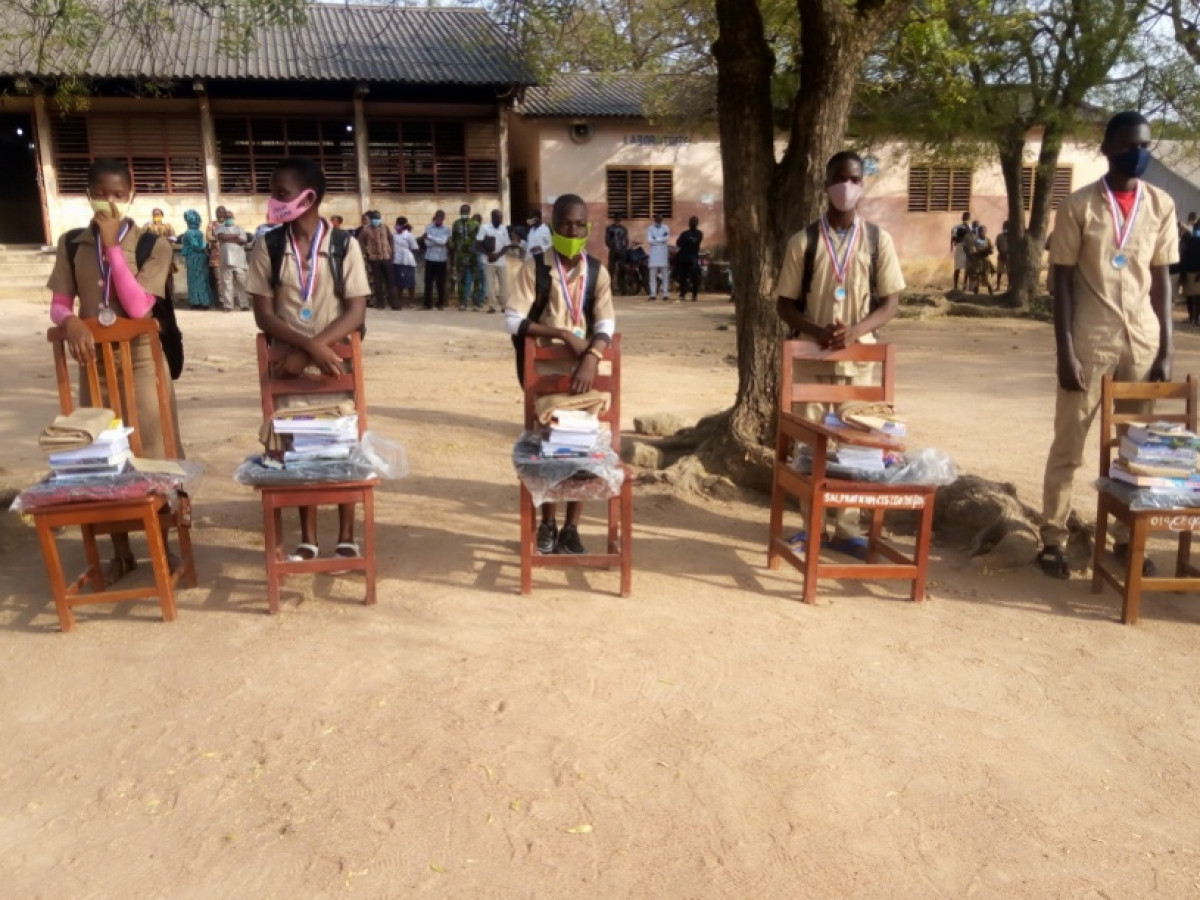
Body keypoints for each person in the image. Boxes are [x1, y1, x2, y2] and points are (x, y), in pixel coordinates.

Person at [1037, 111, 1178, 580]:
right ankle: (1053, 537)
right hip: (1089, 338)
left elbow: (1161, 279)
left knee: (1137, 448)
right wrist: (1065, 352)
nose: (1138, 153)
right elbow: (1060, 280)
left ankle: (1125, 539)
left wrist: (1167, 348)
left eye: (1144, 145)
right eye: (1128, 144)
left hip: (1141, 338)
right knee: (1069, 443)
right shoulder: (1079, 205)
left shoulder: (1160, 205)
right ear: (1107, 148)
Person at [47, 158, 181, 579]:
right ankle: (119, 547)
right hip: (95, 364)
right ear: (87, 193)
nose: (110, 201)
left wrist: (112, 249)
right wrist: (69, 323)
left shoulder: (151, 245)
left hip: (142, 359)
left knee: (153, 449)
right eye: (101, 192)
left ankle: (160, 540)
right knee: (103, 452)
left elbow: (141, 306)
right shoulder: (71, 244)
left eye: (119, 194)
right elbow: (59, 305)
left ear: (131, 195)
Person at [774, 150, 906, 560]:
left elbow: (890, 303)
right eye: (838, 179)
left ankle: (848, 528)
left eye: (852, 179)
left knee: (859, 446)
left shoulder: (876, 240)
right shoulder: (804, 241)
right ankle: (810, 525)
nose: (845, 187)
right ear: (826, 185)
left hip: (860, 360)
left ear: (861, 184)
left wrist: (854, 331)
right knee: (811, 445)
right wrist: (819, 332)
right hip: (812, 358)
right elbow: (785, 304)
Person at [248, 157, 369, 564]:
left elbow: (355, 312)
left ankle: (347, 534)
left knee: (340, 443)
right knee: (299, 446)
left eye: (281, 194)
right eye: (273, 194)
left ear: (308, 197)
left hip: (334, 364)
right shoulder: (268, 246)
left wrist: (312, 351)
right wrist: (301, 351)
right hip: (287, 368)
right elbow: (264, 315)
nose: (274, 202)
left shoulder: (343, 245)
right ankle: (309, 538)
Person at [505, 192, 616, 555]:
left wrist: (592, 356)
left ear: (588, 227)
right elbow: (513, 319)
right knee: (547, 449)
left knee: (580, 449)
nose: (573, 229)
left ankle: (572, 527)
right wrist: (561, 333)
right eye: (566, 223)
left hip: (583, 378)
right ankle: (548, 523)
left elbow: (605, 322)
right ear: (554, 227)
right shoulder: (535, 268)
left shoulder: (596, 271)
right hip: (543, 376)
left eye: (580, 224)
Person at [358, 209, 395, 310]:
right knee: (378, 282)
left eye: (378, 219)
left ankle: (394, 304)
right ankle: (380, 304)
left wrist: (392, 252)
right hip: (374, 259)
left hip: (386, 257)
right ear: (371, 220)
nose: (377, 221)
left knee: (390, 282)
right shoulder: (366, 230)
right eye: (375, 219)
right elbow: (360, 241)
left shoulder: (385, 227)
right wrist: (366, 252)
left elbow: (391, 239)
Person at [215, 209, 250, 311]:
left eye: (230, 217)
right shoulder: (220, 228)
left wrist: (228, 238)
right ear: (224, 218)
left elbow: (243, 240)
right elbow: (221, 237)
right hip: (226, 261)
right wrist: (235, 236)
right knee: (226, 284)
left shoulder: (240, 228)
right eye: (227, 217)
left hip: (239, 261)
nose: (228, 219)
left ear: (233, 218)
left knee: (242, 284)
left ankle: (244, 305)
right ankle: (228, 306)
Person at [477, 209, 510, 314]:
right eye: (497, 217)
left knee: (503, 284)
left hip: (501, 261)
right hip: (488, 261)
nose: (499, 219)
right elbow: (478, 243)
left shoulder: (503, 228)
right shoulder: (484, 228)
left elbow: (507, 245)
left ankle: (504, 305)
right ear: (492, 217)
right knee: (490, 284)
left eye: (501, 217)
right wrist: (489, 255)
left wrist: (497, 255)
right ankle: (492, 306)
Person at [180, 209, 213, 309]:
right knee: (200, 279)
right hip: (198, 257)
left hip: (193, 258)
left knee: (194, 279)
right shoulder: (196, 232)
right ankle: (203, 301)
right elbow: (198, 246)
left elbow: (195, 245)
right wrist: (205, 249)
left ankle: (196, 302)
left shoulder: (189, 233)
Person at [450, 203, 480, 311]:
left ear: (469, 212)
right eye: (462, 211)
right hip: (460, 256)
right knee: (461, 280)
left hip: (473, 255)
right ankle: (462, 302)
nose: (464, 213)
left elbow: (479, 239)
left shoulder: (475, 224)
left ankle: (476, 303)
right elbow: (453, 240)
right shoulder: (456, 224)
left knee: (476, 279)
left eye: (466, 211)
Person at [422, 210, 450, 310]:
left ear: (443, 219)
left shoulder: (447, 229)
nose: (439, 219)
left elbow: (443, 242)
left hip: (441, 259)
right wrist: (435, 241)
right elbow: (427, 243)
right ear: (435, 217)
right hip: (430, 258)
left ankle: (440, 304)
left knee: (441, 283)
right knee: (428, 282)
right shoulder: (428, 227)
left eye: (441, 218)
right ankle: (427, 304)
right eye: (438, 217)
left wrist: (430, 237)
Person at [392, 216, 419, 309]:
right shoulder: (394, 235)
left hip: (407, 261)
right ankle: (398, 301)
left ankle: (412, 301)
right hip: (396, 260)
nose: (396, 226)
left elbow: (415, 247)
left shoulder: (409, 235)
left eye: (398, 224)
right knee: (398, 282)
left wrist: (406, 251)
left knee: (410, 282)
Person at [675, 216, 704, 302]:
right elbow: (678, 243)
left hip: (693, 258)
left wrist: (688, 241)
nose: (693, 223)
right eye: (691, 222)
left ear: (697, 223)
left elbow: (695, 241)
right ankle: (682, 293)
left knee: (694, 277)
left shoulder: (699, 233)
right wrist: (688, 240)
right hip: (683, 257)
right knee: (682, 277)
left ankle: (694, 295)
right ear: (689, 223)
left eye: (694, 222)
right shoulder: (684, 233)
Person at [647, 213, 670, 301]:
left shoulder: (666, 228)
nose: (659, 220)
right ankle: (653, 294)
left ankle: (665, 293)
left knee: (665, 274)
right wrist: (660, 240)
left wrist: (656, 239)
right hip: (654, 253)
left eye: (660, 219)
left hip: (663, 252)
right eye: (657, 219)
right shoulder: (650, 228)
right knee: (652, 274)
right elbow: (649, 240)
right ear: (655, 219)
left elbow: (666, 238)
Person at [966, 225, 995, 295]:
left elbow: (991, 250)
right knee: (976, 277)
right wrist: (982, 251)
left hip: (986, 260)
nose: (982, 232)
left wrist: (986, 251)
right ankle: (976, 293)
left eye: (983, 231)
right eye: (981, 231)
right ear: (978, 232)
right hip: (977, 261)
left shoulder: (988, 240)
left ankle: (991, 293)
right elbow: (973, 251)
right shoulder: (975, 240)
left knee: (987, 277)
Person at [604, 214, 629, 288]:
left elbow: (626, 239)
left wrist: (624, 248)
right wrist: (611, 246)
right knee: (611, 269)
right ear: (614, 220)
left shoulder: (623, 229)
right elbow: (607, 239)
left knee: (622, 269)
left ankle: (621, 287)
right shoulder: (609, 228)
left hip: (621, 251)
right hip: (613, 250)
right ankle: (610, 287)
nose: (617, 221)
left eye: (619, 220)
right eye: (616, 220)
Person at [950, 211, 972, 291]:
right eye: (965, 217)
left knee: (967, 267)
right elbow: (953, 238)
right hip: (959, 247)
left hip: (968, 248)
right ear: (962, 218)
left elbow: (972, 236)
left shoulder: (971, 227)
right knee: (957, 267)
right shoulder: (956, 227)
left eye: (968, 217)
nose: (966, 218)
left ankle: (965, 285)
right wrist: (951, 247)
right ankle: (956, 286)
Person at [207, 205, 225, 304]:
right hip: (216, 257)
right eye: (218, 212)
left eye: (222, 212)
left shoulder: (229, 224)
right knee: (219, 280)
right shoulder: (212, 225)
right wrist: (221, 238)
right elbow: (209, 237)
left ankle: (228, 300)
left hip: (228, 257)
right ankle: (222, 301)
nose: (220, 214)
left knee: (228, 279)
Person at [995, 220, 1010, 292]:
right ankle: (998, 286)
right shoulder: (999, 236)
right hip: (1001, 255)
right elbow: (997, 245)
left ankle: (1009, 286)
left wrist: (1007, 253)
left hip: (1009, 256)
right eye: (1004, 226)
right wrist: (1001, 252)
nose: (1005, 228)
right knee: (999, 271)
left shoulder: (1012, 237)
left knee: (1009, 272)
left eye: (1007, 226)